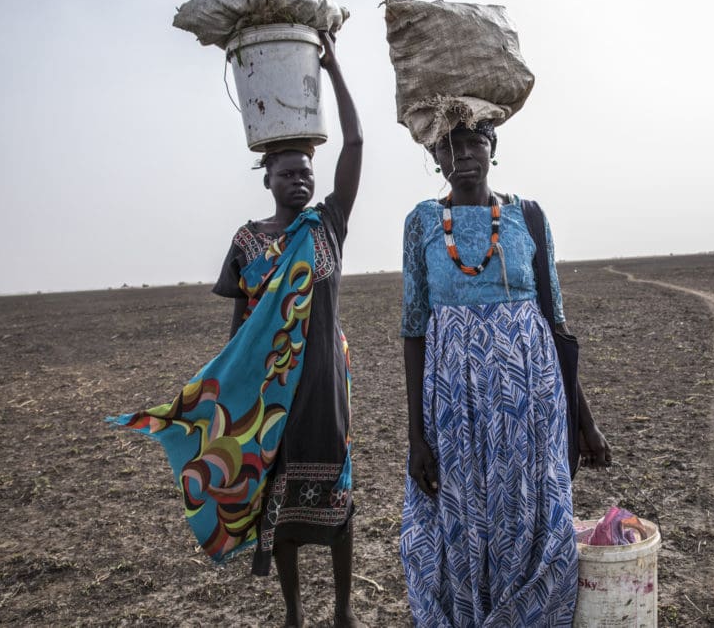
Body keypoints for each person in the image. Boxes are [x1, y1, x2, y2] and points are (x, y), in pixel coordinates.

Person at [110, 31, 362, 628]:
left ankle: (346, 612)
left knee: (339, 499)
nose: (300, 181)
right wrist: (221, 394)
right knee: (279, 504)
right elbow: (240, 331)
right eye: (287, 173)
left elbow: (354, 141)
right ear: (267, 178)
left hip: (325, 384)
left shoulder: (327, 226)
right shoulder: (248, 242)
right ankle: (296, 615)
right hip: (271, 391)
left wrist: (334, 69)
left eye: (306, 172)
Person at [399, 120, 611, 627]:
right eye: (451, 144)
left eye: (476, 141)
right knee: (465, 516)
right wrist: (416, 438)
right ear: (435, 155)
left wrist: (585, 421)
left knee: (531, 512)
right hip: (454, 405)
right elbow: (413, 329)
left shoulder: (527, 218)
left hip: (530, 400)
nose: (465, 154)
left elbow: (556, 324)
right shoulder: (423, 223)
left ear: (494, 147)